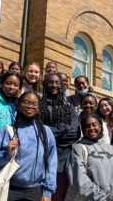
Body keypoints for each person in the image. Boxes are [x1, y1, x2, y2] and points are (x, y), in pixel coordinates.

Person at [0, 91, 57, 201]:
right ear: (18, 105)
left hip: (36, 191)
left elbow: (51, 163)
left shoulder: (46, 132)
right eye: (26, 102)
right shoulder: (6, 131)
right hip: (9, 189)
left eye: (34, 104)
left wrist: (48, 192)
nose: (30, 106)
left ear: (38, 107)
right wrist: (6, 154)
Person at [67, 113, 113, 201]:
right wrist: (100, 198)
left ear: (100, 126)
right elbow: (80, 179)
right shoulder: (79, 149)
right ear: (83, 130)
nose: (91, 128)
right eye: (87, 126)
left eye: (94, 125)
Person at [40, 73, 80, 201]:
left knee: (59, 195)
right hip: (42, 157)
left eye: (57, 82)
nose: (55, 85)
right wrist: (62, 129)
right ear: (45, 84)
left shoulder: (67, 106)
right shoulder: (39, 105)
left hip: (63, 160)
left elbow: (75, 132)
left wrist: (54, 137)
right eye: (51, 82)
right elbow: (39, 132)